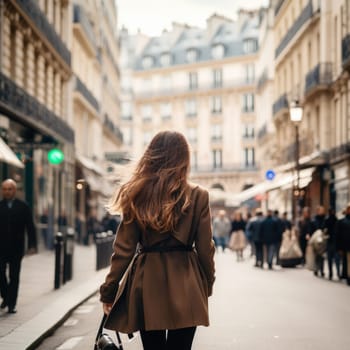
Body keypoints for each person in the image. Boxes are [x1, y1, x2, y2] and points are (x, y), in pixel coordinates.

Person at [99, 131, 215, 350]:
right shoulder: (199, 196)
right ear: (184, 158)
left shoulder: (136, 194)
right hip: (187, 278)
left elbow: (123, 250)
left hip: (147, 281)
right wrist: (207, 282)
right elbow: (205, 248)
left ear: (151, 155)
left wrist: (109, 290)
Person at [0, 179, 37, 313]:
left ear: (15, 191)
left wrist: (32, 244)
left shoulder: (23, 206)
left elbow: (30, 227)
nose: (7, 191)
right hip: (1, 248)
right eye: (4, 189)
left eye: (10, 189)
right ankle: (6, 296)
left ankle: (11, 304)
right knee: (1, 274)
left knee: (14, 276)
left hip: (16, 247)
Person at [311, 205, 327, 277]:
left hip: (323, 239)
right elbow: (311, 229)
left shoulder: (326, 219)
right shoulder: (314, 219)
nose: (322, 211)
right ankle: (316, 269)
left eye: (323, 210)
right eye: (321, 210)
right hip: (315, 240)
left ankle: (321, 269)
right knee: (316, 255)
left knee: (322, 255)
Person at [336, 203, 350, 285]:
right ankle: (348, 277)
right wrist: (339, 248)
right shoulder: (342, 221)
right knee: (348, 262)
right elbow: (338, 235)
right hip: (346, 246)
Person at [325, 208, 340, 280]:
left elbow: (324, 230)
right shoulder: (336, 220)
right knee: (335, 259)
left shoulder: (328, 220)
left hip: (331, 242)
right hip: (334, 242)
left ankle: (332, 273)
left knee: (331, 259)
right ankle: (337, 273)